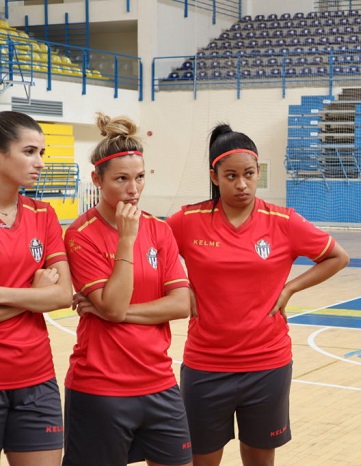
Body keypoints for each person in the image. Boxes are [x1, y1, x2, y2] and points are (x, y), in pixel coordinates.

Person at [167, 124, 350, 466]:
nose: (241, 184)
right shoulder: (187, 221)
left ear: (258, 172)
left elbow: (338, 257)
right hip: (206, 366)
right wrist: (179, 284)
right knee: (201, 461)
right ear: (214, 175)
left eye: (249, 174)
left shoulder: (283, 221)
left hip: (268, 364)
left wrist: (291, 287)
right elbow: (154, 253)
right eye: (231, 175)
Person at [62, 113, 193, 466]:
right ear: (97, 180)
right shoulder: (80, 234)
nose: (133, 190)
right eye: (121, 179)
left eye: (139, 178)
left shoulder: (160, 230)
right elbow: (116, 305)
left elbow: (181, 305)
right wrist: (126, 240)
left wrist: (109, 311)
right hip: (101, 388)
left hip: (160, 383)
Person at [0, 111, 72, 466]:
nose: (40, 163)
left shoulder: (43, 215)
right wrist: (33, 295)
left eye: (42, 152)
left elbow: (62, 296)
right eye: (29, 152)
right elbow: (46, 296)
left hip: (37, 380)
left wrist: (4, 294)